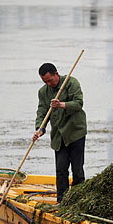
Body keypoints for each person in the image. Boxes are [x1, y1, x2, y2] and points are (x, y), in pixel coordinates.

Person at [32, 62, 87, 203]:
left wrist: (61, 105)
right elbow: (42, 113)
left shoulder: (71, 83)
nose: (48, 84)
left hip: (75, 133)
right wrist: (40, 129)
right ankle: (61, 202)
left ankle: (78, 201)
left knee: (77, 171)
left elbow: (78, 104)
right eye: (45, 81)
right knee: (61, 170)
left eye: (50, 80)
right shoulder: (43, 92)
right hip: (59, 137)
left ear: (56, 74)